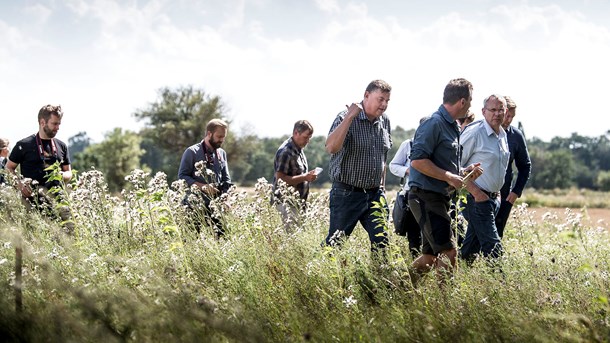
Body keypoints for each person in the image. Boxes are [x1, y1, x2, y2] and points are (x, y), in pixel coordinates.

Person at [407, 78, 482, 277]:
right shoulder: (434, 123)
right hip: (425, 196)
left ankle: (396, 289)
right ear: (463, 102)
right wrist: (449, 176)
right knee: (449, 252)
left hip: (438, 197)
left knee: (430, 258)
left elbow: (443, 165)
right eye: (471, 101)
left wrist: (464, 172)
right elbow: (417, 161)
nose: (470, 106)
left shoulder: (452, 126)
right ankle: (445, 304)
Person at [323, 79, 393, 257]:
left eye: (387, 101)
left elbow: (382, 156)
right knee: (335, 244)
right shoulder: (345, 117)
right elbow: (331, 147)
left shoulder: (385, 122)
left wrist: (382, 186)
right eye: (380, 99)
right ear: (366, 95)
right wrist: (349, 117)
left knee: (382, 242)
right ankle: (320, 278)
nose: (384, 105)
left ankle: (380, 281)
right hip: (347, 193)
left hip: (375, 194)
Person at [5, 105, 74, 231]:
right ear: (42, 122)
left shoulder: (62, 146)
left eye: (59, 124)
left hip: (59, 203)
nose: (58, 127)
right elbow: (8, 168)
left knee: (68, 242)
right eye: (54, 124)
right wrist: (19, 184)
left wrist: (62, 175)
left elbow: (69, 172)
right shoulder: (23, 145)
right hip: (32, 205)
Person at [459, 94, 510, 262]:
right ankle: (502, 285)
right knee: (493, 247)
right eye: (492, 110)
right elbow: (454, 165)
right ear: (483, 111)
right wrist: (477, 193)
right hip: (477, 199)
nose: (496, 114)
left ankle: (453, 279)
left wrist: (497, 194)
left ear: (505, 111)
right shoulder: (475, 133)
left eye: (500, 110)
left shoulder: (502, 135)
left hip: (493, 199)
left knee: (470, 250)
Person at [178, 118, 233, 237]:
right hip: (194, 206)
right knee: (191, 242)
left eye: (223, 137)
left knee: (223, 239)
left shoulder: (222, 153)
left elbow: (226, 180)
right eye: (219, 136)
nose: (222, 140)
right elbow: (182, 176)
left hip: (216, 206)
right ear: (209, 133)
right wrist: (203, 187)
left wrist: (226, 199)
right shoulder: (191, 152)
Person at [389, 116, 428, 258]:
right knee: (414, 235)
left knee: (429, 234)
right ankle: (415, 264)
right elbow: (393, 166)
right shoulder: (409, 144)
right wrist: (407, 170)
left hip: (432, 195)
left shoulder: (438, 146)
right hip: (411, 194)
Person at [495, 96, 531, 238]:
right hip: (481, 192)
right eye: (507, 115)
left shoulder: (516, 135)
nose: (509, 120)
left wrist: (516, 191)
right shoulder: (481, 131)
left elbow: (525, 166)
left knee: (498, 233)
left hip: (505, 195)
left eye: (512, 117)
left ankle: (493, 260)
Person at [272, 120, 318, 230]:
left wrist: (308, 177)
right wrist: (305, 177)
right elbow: (281, 179)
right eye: (306, 137)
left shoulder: (298, 149)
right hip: (285, 205)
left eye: (309, 138)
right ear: (296, 133)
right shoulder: (285, 152)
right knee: (289, 240)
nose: (307, 141)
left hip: (297, 204)